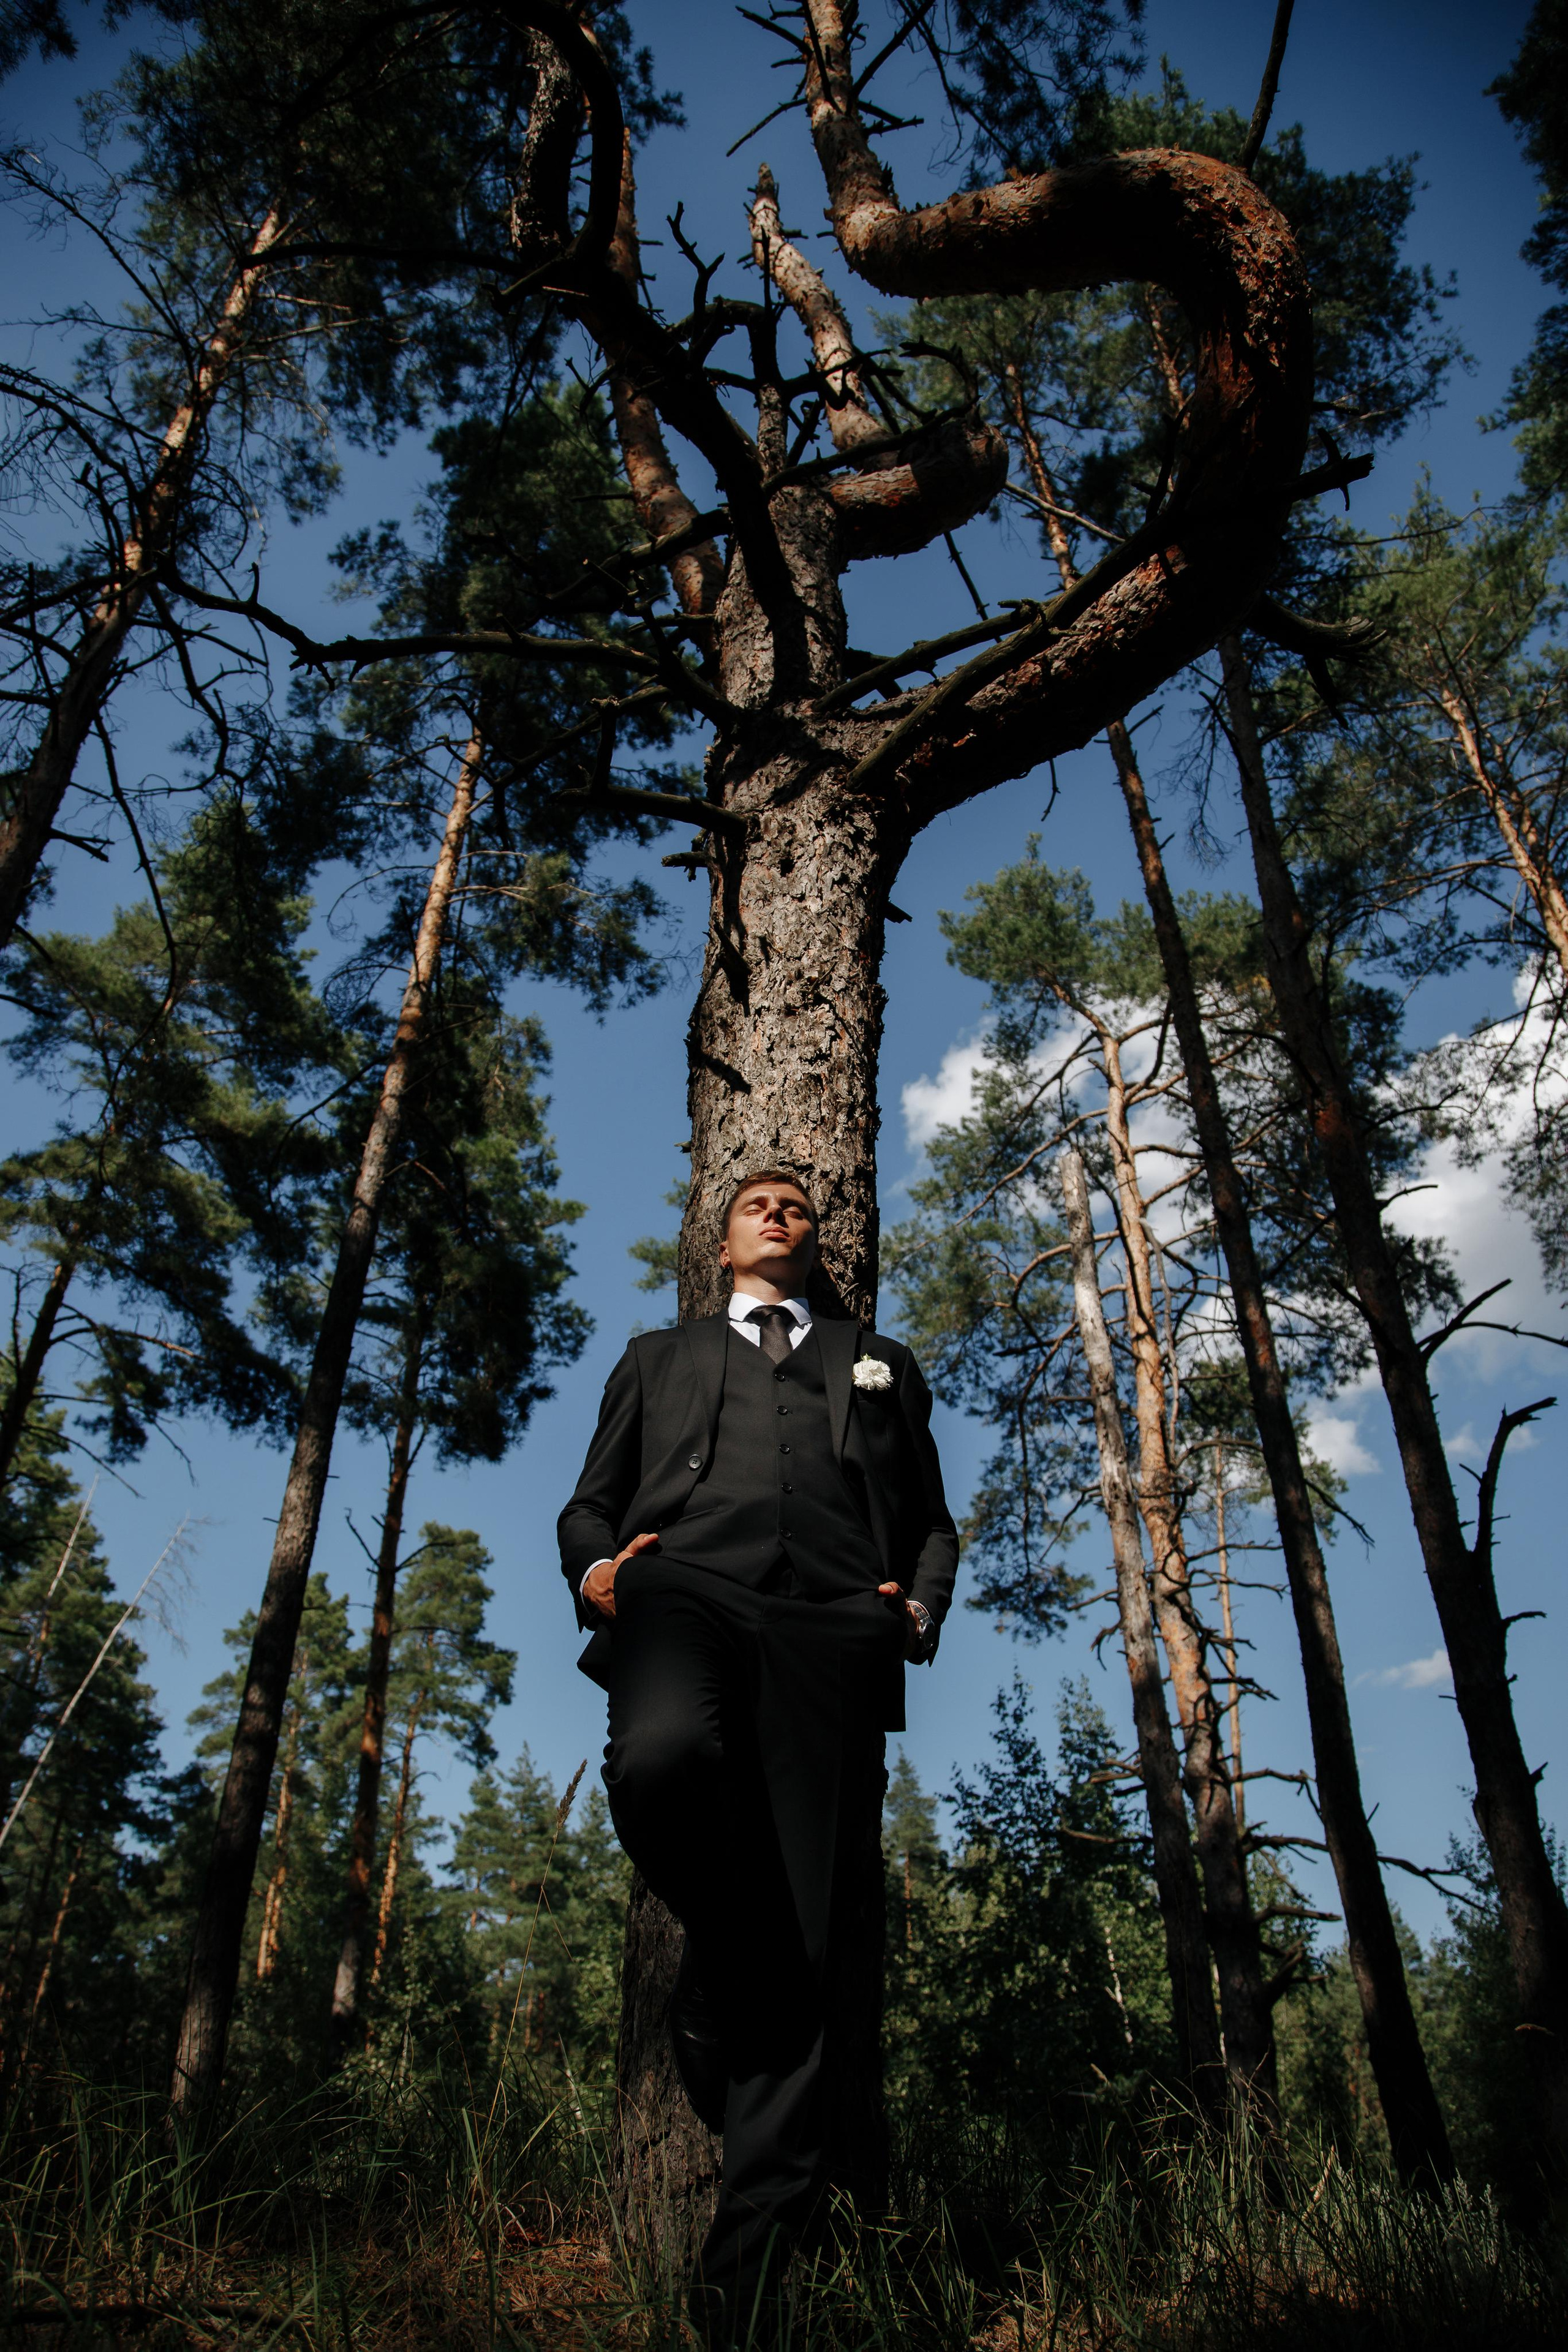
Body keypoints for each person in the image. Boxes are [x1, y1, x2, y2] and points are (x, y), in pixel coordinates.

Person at [557, 1167, 957, 2344]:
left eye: (797, 1208)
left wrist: (915, 1612)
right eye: (756, 1206)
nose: (780, 1214)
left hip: (835, 1623)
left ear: (816, 1244)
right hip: (683, 1587)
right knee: (660, 1760)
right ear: (721, 1244)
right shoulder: (658, 1357)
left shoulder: (877, 1361)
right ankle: (718, 1962)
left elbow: (931, 1521)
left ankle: (744, 2294)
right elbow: (589, 1504)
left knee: (807, 1940)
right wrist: (600, 1571)